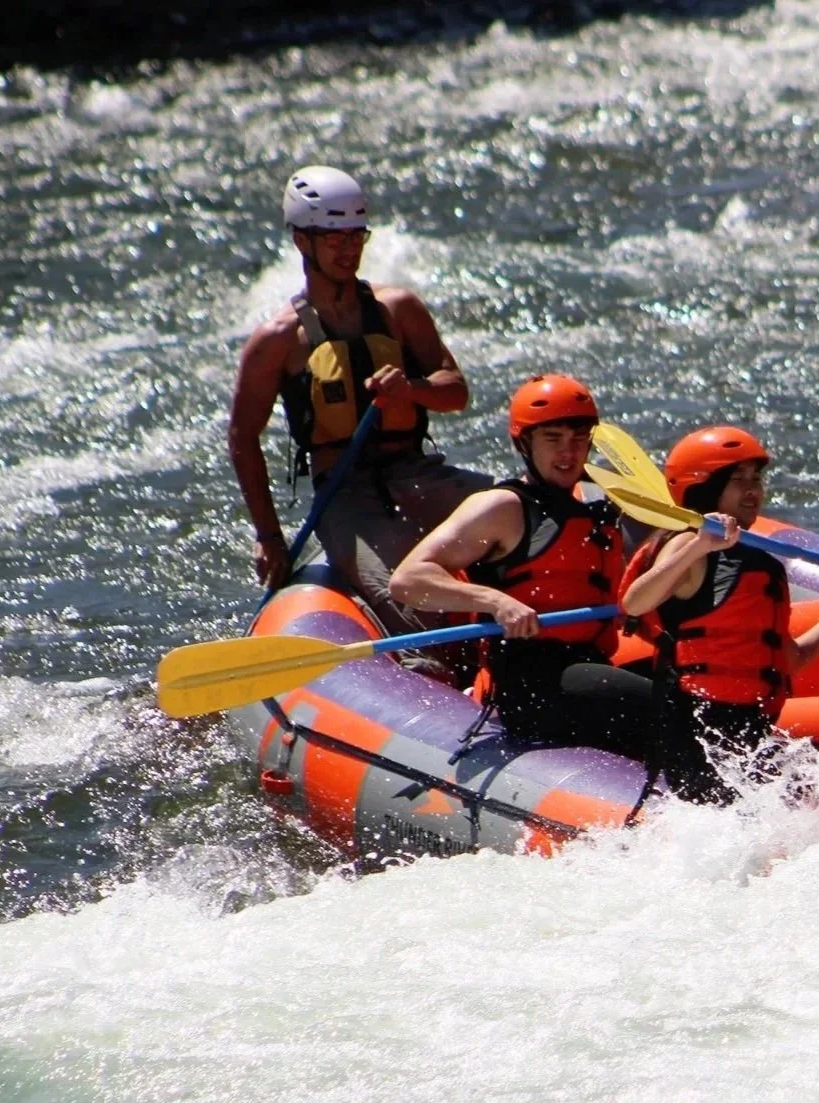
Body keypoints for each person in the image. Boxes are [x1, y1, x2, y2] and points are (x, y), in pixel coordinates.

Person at [227, 165, 492, 638]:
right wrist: (269, 537)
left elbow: (455, 390)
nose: (349, 249)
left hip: (416, 473)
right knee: (406, 600)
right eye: (334, 238)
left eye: (356, 236)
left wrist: (410, 389)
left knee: (518, 515)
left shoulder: (399, 309)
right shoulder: (276, 341)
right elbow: (244, 436)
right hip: (345, 496)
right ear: (302, 241)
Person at [619, 426, 819, 804]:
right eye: (737, 480)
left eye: (756, 479)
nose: (752, 490)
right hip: (696, 741)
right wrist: (700, 544)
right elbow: (635, 602)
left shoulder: (760, 564)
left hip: (749, 735)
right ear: (703, 489)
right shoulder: (688, 543)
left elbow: (793, 659)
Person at [388, 375, 652, 755]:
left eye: (579, 439)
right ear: (524, 443)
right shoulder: (502, 508)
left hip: (591, 664)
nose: (568, 452)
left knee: (690, 694)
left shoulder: (602, 504)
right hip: (532, 685)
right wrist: (496, 601)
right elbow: (408, 580)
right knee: (663, 708)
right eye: (553, 439)